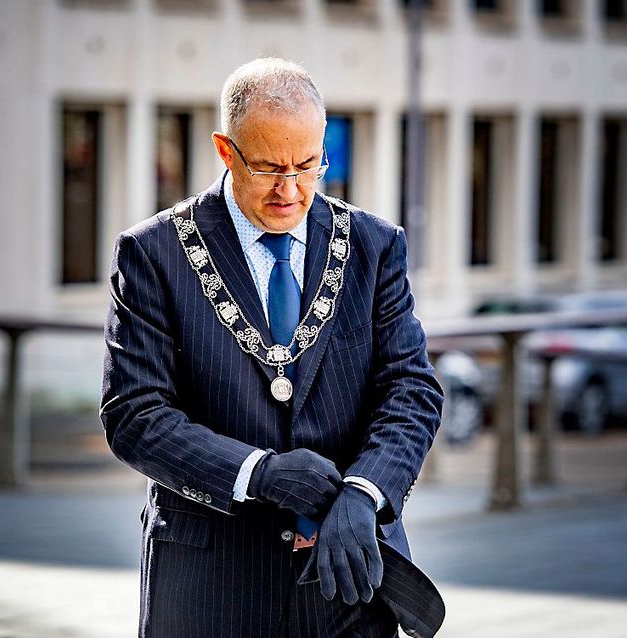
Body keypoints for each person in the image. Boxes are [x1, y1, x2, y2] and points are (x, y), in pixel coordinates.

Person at [100, 57, 444, 638]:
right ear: (225, 150)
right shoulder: (153, 254)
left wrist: (365, 492)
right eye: (267, 168)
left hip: (348, 578)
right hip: (209, 589)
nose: (291, 190)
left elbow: (411, 389)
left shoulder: (375, 246)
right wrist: (258, 474)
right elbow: (134, 416)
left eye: (309, 165)